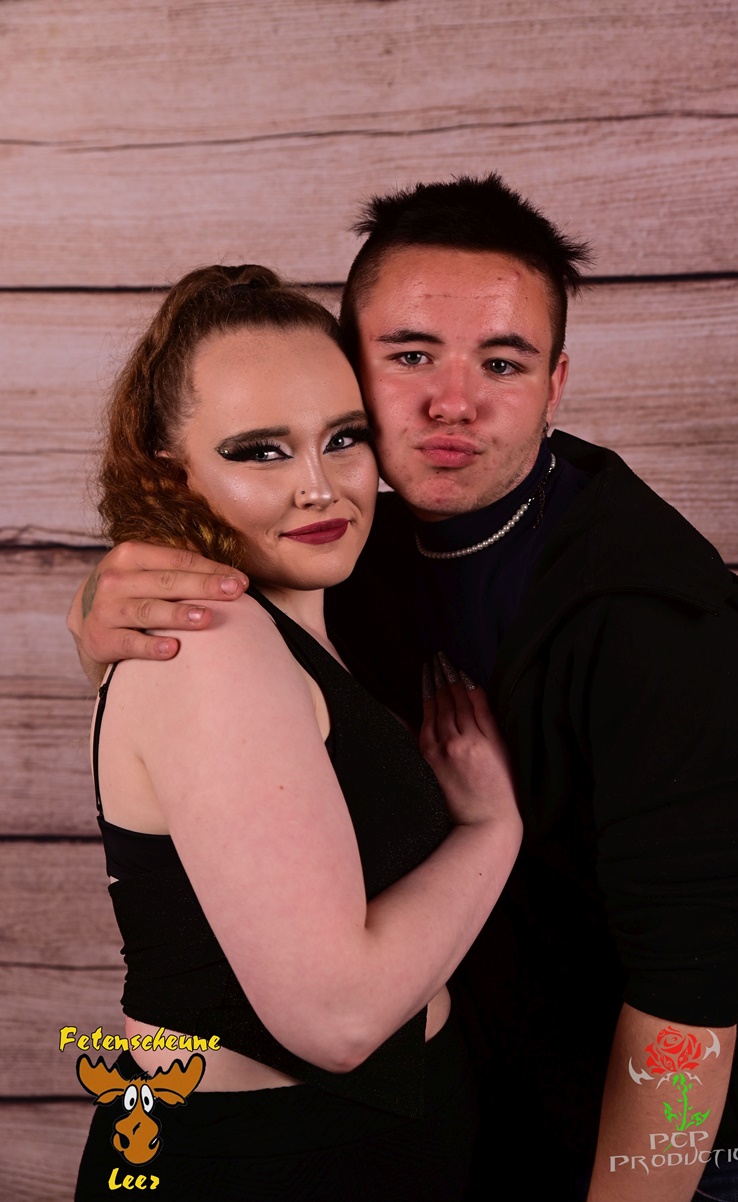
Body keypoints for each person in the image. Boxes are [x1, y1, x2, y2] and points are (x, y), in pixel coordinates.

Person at [69, 178, 738, 1202]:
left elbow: (688, 1001)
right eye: (410, 355)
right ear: (347, 364)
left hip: (684, 1131)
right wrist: (102, 606)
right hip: (483, 1105)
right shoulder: (338, 546)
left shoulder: (656, 622)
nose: (451, 401)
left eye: (501, 362)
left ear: (553, 386)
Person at [72, 263, 523, 1202]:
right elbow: (337, 1020)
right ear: (171, 472)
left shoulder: (309, 611)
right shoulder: (213, 640)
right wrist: (491, 828)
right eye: (261, 451)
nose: (320, 488)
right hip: (264, 1162)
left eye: (343, 439)